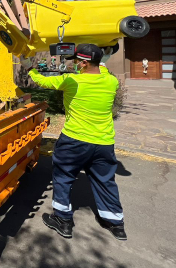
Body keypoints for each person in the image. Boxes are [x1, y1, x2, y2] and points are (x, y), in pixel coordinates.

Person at [20, 44, 126, 241]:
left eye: (77, 60)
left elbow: (43, 81)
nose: (75, 63)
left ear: (84, 62)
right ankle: (115, 223)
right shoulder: (111, 81)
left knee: (63, 177)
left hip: (74, 141)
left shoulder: (71, 81)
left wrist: (28, 66)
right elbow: (100, 67)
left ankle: (63, 220)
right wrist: (105, 55)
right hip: (104, 142)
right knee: (105, 181)